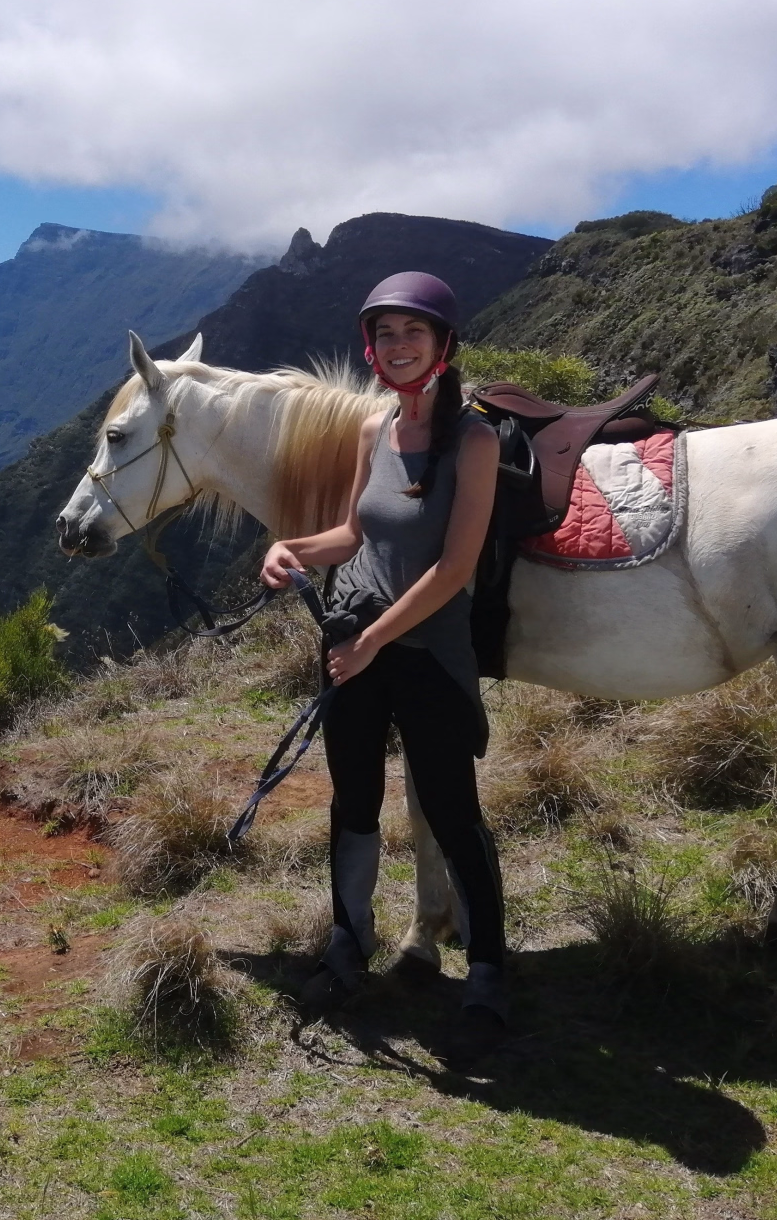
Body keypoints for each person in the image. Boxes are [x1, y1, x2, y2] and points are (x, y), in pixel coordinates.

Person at [259, 271, 508, 1024]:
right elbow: (356, 534)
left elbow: (454, 567)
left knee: (451, 806)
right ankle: (349, 939)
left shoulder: (474, 440)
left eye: (413, 333)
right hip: (357, 646)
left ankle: (488, 965)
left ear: (444, 345)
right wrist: (287, 546)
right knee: (354, 797)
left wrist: (370, 639)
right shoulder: (375, 430)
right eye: (386, 333)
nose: (397, 346)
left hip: (424, 651)